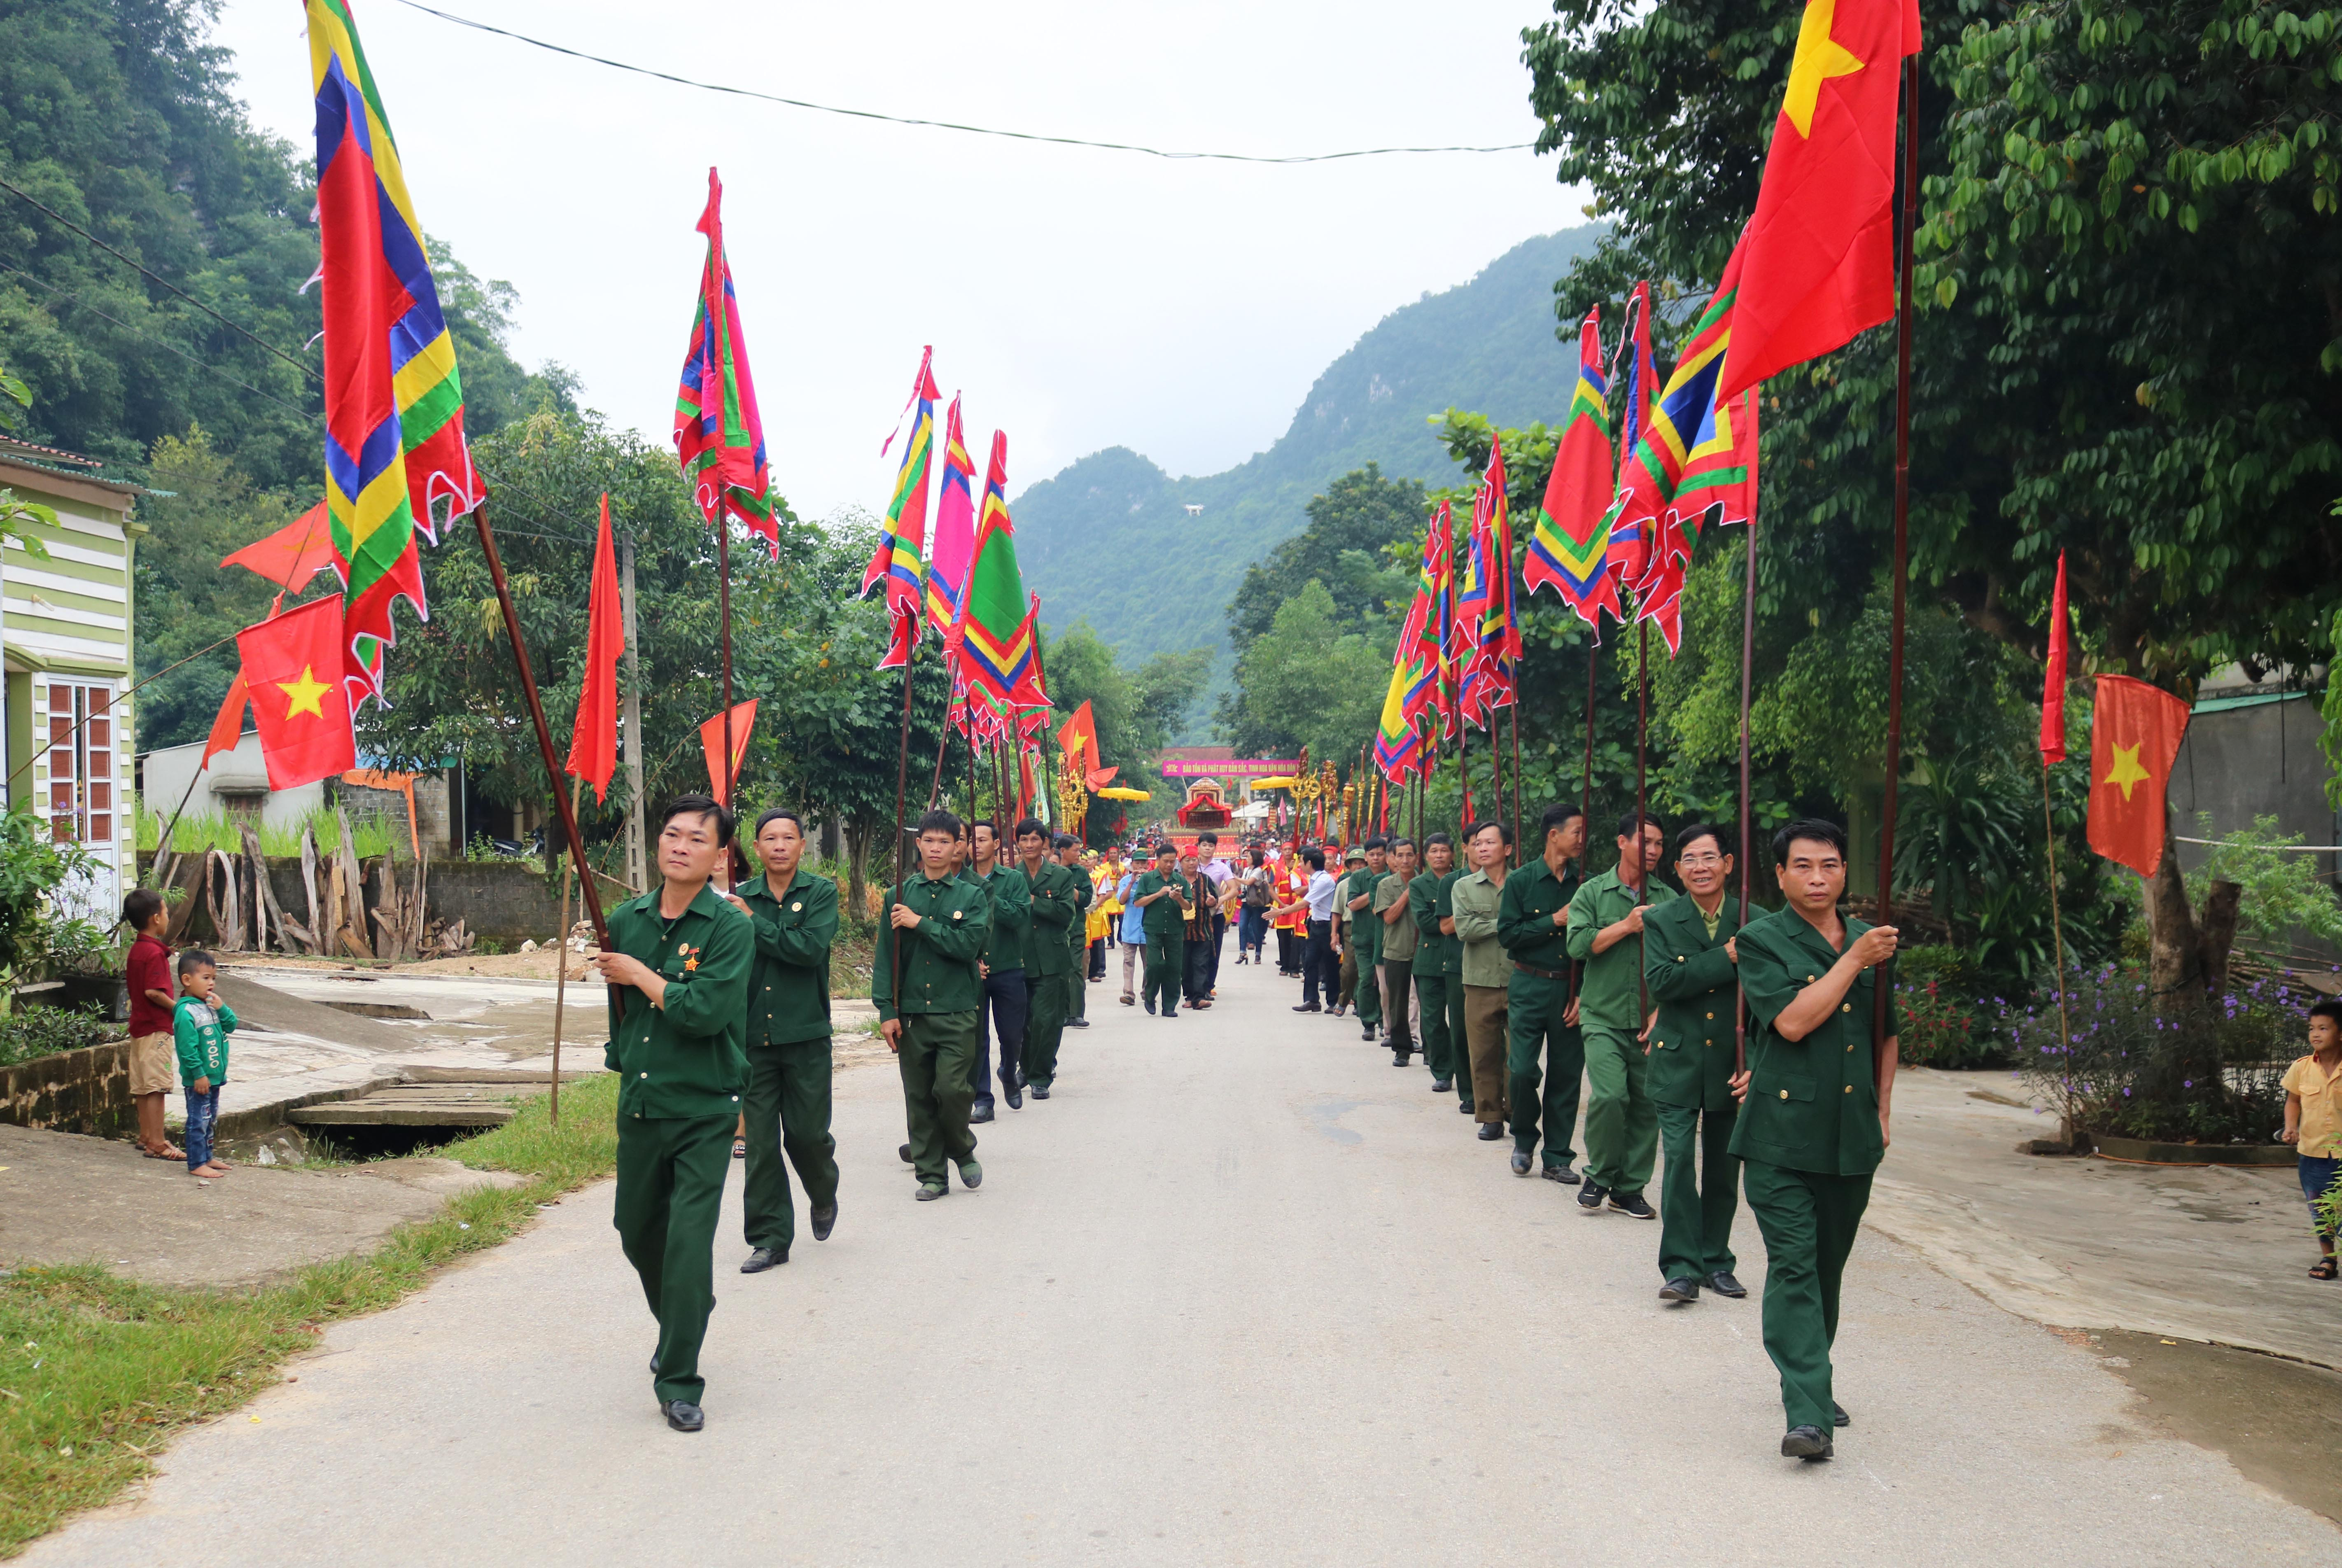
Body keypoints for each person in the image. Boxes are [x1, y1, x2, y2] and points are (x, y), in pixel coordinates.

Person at [1726, 818, 1899, 1462]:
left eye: (1829, 865)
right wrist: (1855, 960)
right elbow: (1794, 1022)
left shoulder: (1870, 942)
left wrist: (1884, 1111)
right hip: (1779, 1135)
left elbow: (1887, 1030)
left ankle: (1807, 1374)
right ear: (1779, 875)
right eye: (1803, 866)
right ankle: (1808, 1415)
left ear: (1844, 871)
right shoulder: (1762, 939)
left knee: (1827, 1270)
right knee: (1795, 1266)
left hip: (1851, 1136)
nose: (1818, 877)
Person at [589, 795, 754, 1433]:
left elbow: (707, 1013)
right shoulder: (626, 920)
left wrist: (640, 976)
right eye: (671, 835)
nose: (680, 846)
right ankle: (687, 1312)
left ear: (719, 856)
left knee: (687, 1244)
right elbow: (620, 1010)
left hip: (705, 1105)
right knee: (635, 1228)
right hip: (643, 1103)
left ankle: (679, 1376)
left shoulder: (730, 927)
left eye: (696, 839)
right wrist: (622, 1054)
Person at [725, 807, 840, 1275]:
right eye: (769, 838)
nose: (778, 845)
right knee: (761, 1146)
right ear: (755, 847)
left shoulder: (820, 893)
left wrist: (752, 921)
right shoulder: (735, 898)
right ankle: (770, 1238)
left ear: (801, 845)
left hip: (805, 1035)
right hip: (753, 1039)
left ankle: (823, 1190)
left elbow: (808, 950)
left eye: (787, 838)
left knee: (807, 1136)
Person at [1642, 824, 1747, 1303]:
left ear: (1728, 863)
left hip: (1733, 1062)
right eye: (1689, 859)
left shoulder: (1756, 921)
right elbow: (1663, 982)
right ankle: (1682, 1267)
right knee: (1681, 1161)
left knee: (1725, 1168)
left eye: (1709, 857)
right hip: (1677, 1060)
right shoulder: (1662, 919)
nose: (1699, 867)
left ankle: (1717, 1259)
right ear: (1678, 870)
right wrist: (1725, 957)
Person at [874, 808, 992, 1202]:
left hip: (957, 1010)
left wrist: (920, 923)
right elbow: (885, 959)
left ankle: (961, 1146)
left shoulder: (972, 896)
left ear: (958, 846)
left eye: (946, 842)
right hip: (912, 1014)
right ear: (918, 844)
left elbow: (968, 947)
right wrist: (887, 1011)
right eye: (930, 841)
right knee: (920, 1095)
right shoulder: (899, 895)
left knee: (953, 1090)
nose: (937, 849)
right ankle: (931, 1175)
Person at [1564, 812, 1676, 1218]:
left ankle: (1629, 1188)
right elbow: (1578, 946)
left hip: (1651, 1018)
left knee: (1647, 1105)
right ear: (1622, 842)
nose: (1653, 850)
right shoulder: (1593, 892)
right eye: (1645, 841)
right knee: (1611, 1096)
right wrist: (1627, 926)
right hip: (1602, 1014)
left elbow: (1682, 963)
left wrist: (1662, 1011)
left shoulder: (1668, 899)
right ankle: (1600, 1173)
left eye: (1660, 844)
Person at [1499, 805, 1586, 1182]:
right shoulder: (1521, 881)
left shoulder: (1587, 884)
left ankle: (1558, 1157)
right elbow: (1509, 935)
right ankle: (1524, 1138)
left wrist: (1583, 994)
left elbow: (1593, 944)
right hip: (1529, 983)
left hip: (1570, 986)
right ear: (1554, 835)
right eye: (1577, 832)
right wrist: (1554, 921)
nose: (1582, 839)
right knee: (1521, 1070)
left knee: (1567, 1074)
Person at [1450, 819, 1515, 1142]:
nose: (1483, 848)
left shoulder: (1523, 884)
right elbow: (1465, 930)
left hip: (1520, 979)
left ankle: (1517, 1111)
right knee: (1483, 1054)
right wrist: (1508, 924)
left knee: (1520, 1057)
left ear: (1508, 849)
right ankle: (1490, 1116)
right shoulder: (1463, 886)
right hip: (1479, 981)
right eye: (1478, 844)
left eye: (1490, 843)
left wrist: (1489, 923)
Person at [963, 818, 1031, 1122]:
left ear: (996, 844)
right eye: (970, 840)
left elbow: (1019, 918)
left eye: (981, 840)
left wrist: (987, 894)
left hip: (1007, 967)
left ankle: (1008, 1069)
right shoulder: (958, 880)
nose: (975, 846)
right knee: (977, 1038)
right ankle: (983, 1099)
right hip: (973, 970)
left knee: (1012, 1034)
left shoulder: (1013, 878)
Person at [1018, 819, 1081, 1095]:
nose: (1029, 845)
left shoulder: (1061, 876)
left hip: (1052, 958)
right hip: (1018, 958)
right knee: (1022, 1021)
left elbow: (1067, 914)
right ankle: (1025, 1067)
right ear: (1017, 843)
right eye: (1024, 839)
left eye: (1034, 839)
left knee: (1048, 1020)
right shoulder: (1011, 877)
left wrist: (1036, 903)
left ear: (1045, 843)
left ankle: (1040, 1077)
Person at [2281, 1000, 2342, 1280]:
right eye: (2312, 1029)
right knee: (2319, 1207)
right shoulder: (2302, 1068)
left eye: (2324, 1028)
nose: (2315, 1034)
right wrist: (2291, 1127)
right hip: (2313, 1152)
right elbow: (2294, 1100)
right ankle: (2329, 1258)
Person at [120, 889, 182, 1162]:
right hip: (156, 1028)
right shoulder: (154, 954)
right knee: (157, 1086)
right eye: (167, 912)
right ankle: (158, 1142)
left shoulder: (137, 950)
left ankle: (146, 1135)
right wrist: (179, 1007)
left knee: (143, 1085)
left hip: (139, 1027)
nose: (168, 917)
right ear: (156, 918)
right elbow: (153, 992)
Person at [171, 949, 235, 1180]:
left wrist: (222, 1007)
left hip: (215, 1077)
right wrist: (198, 1074)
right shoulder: (186, 1011)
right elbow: (187, 1049)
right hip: (200, 1079)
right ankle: (196, 1162)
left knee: (210, 1120)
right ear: (187, 980)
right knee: (198, 1120)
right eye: (206, 978)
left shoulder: (210, 1006)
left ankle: (207, 1156)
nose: (211, 983)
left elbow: (232, 1025)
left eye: (214, 978)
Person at [1410, 834, 1463, 1093]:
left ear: (1454, 855)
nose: (1439, 855)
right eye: (1434, 851)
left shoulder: (1466, 880)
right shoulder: (1419, 884)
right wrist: (1465, 920)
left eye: (1444, 851)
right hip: (1430, 961)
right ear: (1427, 856)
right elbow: (1427, 923)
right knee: (1432, 1020)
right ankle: (1442, 1070)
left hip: (1461, 958)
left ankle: (1464, 1068)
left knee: (1461, 1019)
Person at [1276, 847, 1341, 1013]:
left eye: (1302, 860)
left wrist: (1282, 911)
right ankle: (1312, 1000)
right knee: (1310, 963)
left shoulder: (1324, 881)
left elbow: (1305, 903)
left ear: (1309, 863)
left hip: (1328, 927)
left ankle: (1333, 1002)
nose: (1299, 864)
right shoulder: (1313, 879)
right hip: (1315, 925)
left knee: (1331, 965)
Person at [1131, 842, 1191, 1019]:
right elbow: (1138, 902)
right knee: (1156, 964)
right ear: (1157, 860)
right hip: (1153, 928)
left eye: (1173, 862)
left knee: (1174, 968)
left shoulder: (1180, 880)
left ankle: (1170, 1006)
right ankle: (1150, 995)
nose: (1169, 865)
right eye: (1166, 861)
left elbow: (1188, 906)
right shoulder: (1148, 879)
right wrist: (1158, 894)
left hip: (1175, 929)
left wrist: (1179, 898)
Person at [1374, 838, 1420, 1066]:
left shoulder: (1429, 882)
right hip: (1396, 949)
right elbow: (1389, 918)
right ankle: (1402, 1049)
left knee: (1430, 1004)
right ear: (1392, 858)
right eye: (1400, 855)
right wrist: (1409, 893)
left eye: (1409, 855)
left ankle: (1432, 1050)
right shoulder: (1386, 885)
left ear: (1417, 857)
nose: (1405, 860)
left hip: (1425, 951)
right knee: (1398, 1003)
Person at [1344, 838, 1390, 1043]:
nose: (1376, 858)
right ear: (1366, 857)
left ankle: (1384, 1021)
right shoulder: (1358, 877)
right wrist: (1374, 893)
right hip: (1364, 937)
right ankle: (1369, 1022)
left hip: (1389, 939)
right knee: (1367, 979)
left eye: (1380, 854)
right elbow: (1352, 905)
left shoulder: (1394, 875)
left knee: (1386, 983)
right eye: (1372, 855)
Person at [1058, 835, 1094, 1029]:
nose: (1079, 854)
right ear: (1063, 851)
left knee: (1075, 969)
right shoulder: (1051, 870)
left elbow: (1087, 899)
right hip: (1056, 928)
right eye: (1075, 850)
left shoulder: (1080, 872)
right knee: (1061, 971)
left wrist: (1070, 890)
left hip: (1076, 928)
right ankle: (1063, 1013)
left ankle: (1077, 1014)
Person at [1194, 831, 1231, 996]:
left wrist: (1221, 901)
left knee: (1213, 951)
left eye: (1211, 846)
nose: (1208, 849)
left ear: (1216, 848)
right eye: (1204, 845)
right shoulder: (1191, 864)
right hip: (1193, 914)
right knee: (1193, 951)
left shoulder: (1221, 867)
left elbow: (1235, 889)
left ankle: (1208, 986)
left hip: (1215, 915)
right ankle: (1193, 985)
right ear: (1199, 847)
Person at [1117, 857, 1148, 1002]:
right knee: (1128, 961)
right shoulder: (1125, 881)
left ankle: (1148, 991)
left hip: (1147, 928)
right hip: (1130, 928)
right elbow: (1122, 901)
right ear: (1132, 865)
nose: (1140, 867)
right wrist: (1132, 882)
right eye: (1137, 864)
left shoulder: (1152, 880)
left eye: (1143, 864)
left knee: (1149, 963)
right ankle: (1129, 993)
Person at [1237, 847, 1272, 964]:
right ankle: (1243, 953)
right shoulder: (1246, 869)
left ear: (1255, 858)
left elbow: (1248, 882)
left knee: (1257, 929)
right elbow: (1243, 884)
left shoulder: (1259, 871)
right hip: (1246, 902)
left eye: (1249, 857)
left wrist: (1234, 877)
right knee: (1242, 926)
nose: (1247, 859)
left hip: (1257, 903)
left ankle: (1258, 954)